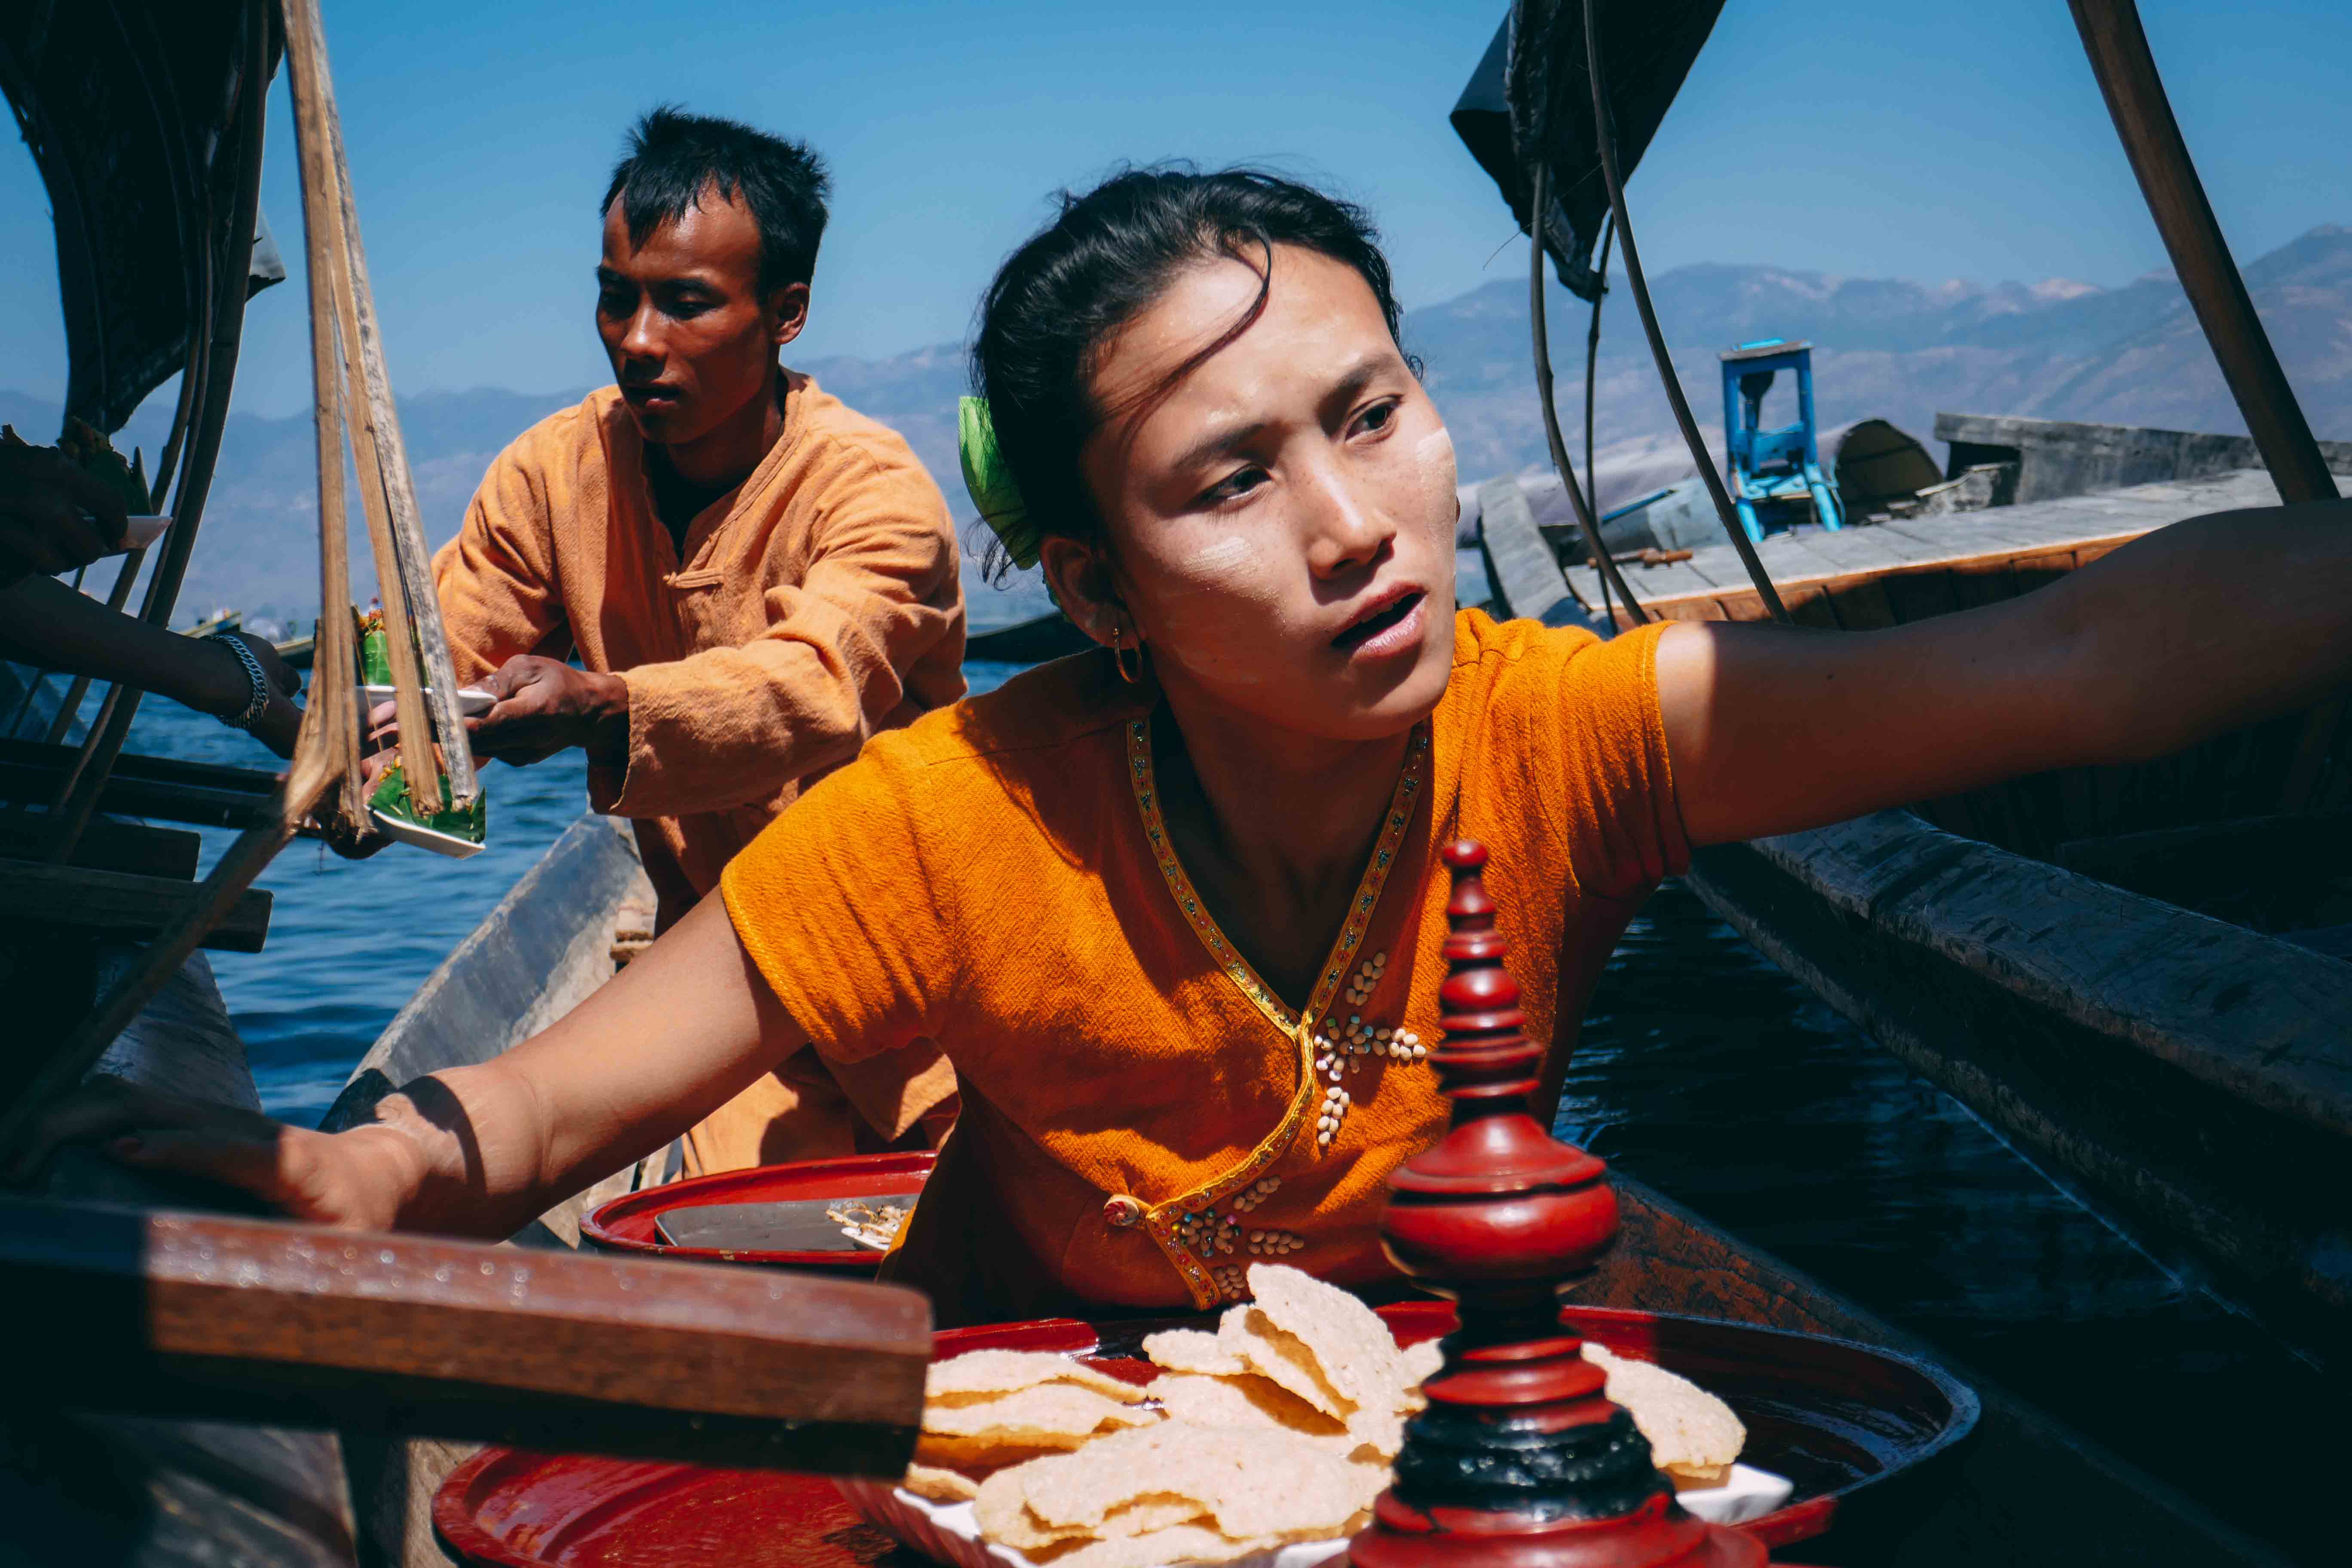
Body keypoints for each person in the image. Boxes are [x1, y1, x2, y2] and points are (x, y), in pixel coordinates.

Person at [25, 168, 2352, 1325]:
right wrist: (347, 1181)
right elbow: (528, 1113)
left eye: (1372, 416)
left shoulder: (1565, 741)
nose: (1358, 528)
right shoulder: (955, 821)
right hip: (1030, 1427)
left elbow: (2089, 669)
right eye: (1231, 481)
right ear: (1106, 590)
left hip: (1435, 1434)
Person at [401, 108, 966, 1173]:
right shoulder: (554, 474)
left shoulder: (874, 492)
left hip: (927, 995)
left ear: (786, 313)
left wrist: (604, 707)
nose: (638, 340)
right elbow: (439, 655)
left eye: (687, 304)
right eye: (618, 297)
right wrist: (377, 738)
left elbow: (814, 687)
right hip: (726, 999)